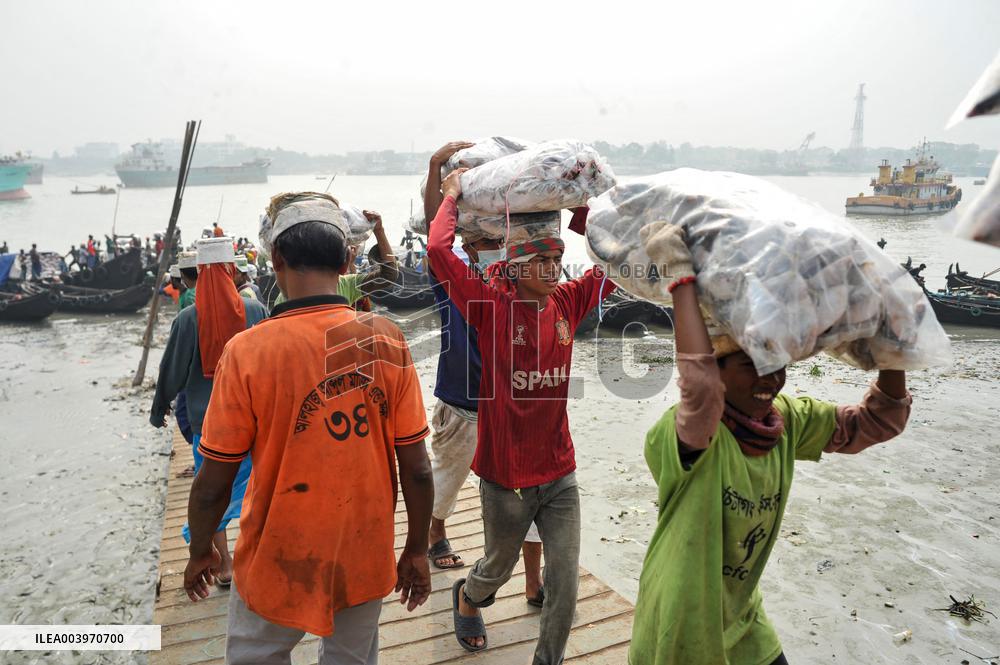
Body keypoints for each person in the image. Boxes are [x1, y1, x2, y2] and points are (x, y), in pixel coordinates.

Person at [628, 224, 912, 665]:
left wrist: (889, 344)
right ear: (717, 369)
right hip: (681, 620)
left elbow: (880, 421)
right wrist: (680, 277)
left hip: (742, 617)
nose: (769, 379)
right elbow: (700, 394)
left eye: (777, 365)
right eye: (750, 365)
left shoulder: (786, 421)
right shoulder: (684, 433)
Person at [184, 193, 433, 665]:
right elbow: (418, 469)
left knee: (257, 655)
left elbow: (213, 481)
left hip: (277, 554)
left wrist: (201, 550)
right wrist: (416, 549)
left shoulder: (245, 351)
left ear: (275, 259)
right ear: (345, 261)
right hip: (362, 550)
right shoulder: (386, 338)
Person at [428, 170, 616, 662]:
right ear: (514, 267)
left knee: (566, 583)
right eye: (542, 261)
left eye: (558, 260)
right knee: (496, 568)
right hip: (505, 476)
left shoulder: (569, 303)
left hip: (559, 473)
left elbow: (615, 262)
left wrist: (583, 213)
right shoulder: (489, 308)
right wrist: (450, 197)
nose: (554, 269)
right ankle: (468, 597)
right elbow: (439, 254)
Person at [421, 141, 545, 605]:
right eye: (487, 242)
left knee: (531, 498)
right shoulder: (450, 276)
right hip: (463, 399)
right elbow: (437, 235)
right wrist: (438, 173)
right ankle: (435, 532)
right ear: (468, 243)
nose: (495, 247)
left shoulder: (520, 279)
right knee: (447, 478)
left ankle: (534, 582)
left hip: (516, 407)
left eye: (501, 241)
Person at [150, 238, 268, 585]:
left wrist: (160, 409)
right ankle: (252, 555)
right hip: (253, 419)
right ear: (232, 270)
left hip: (209, 424)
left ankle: (224, 562)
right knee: (252, 489)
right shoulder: (255, 310)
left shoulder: (188, 318)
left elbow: (171, 370)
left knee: (213, 489)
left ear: (199, 272)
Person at [272, 199, 399, 309]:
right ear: (345, 262)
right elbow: (389, 275)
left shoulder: (283, 300)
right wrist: (379, 231)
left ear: (276, 259)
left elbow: (388, 275)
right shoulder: (347, 284)